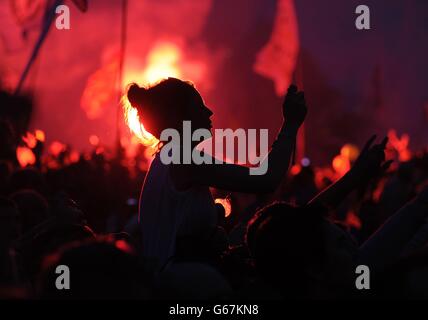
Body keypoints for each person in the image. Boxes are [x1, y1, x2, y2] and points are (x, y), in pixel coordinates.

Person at [126, 78, 307, 270]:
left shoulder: (165, 160)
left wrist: (218, 214)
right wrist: (290, 125)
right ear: (178, 117)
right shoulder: (182, 158)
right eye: (199, 106)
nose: (209, 112)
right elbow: (265, 179)